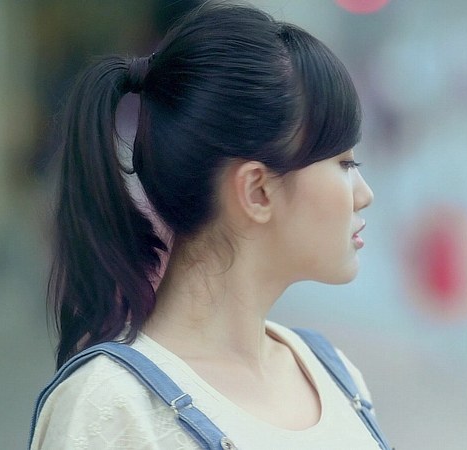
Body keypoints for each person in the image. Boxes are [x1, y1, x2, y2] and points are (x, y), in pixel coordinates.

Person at [28, 2, 389, 449]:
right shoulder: (112, 408)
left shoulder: (333, 374)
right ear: (257, 191)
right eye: (345, 163)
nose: (364, 193)